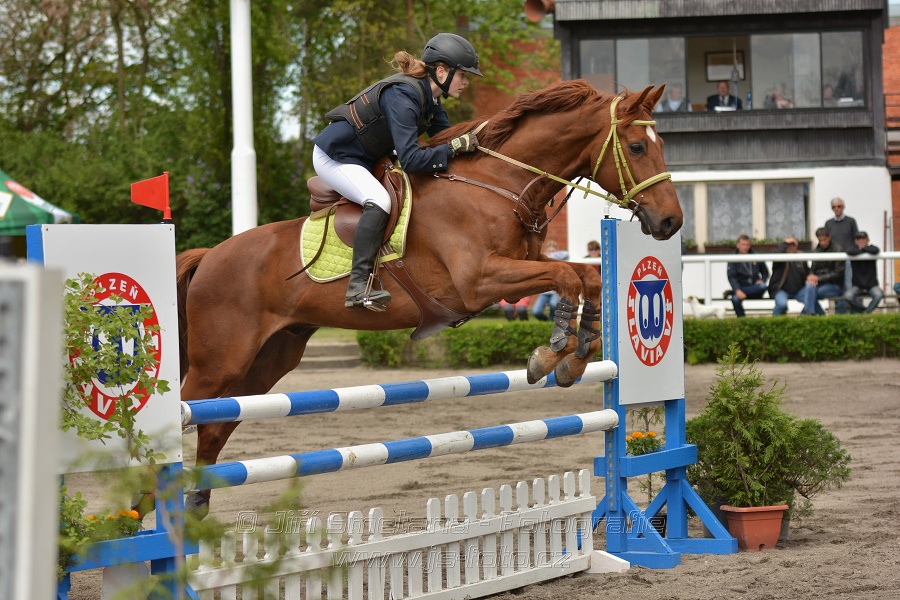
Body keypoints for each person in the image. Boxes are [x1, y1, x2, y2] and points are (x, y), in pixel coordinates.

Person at [313, 33, 483, 310]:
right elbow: (414, 160)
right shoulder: (404, 95)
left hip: (365, 158)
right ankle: (358, 287)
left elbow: (447, 140)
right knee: (379, 201)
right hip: (337, 157)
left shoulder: (433, 101)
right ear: (441, 71)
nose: (466, 82)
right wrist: (453, 148)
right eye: (463, 75)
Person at [797, 227, 845, 315]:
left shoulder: (838, 250)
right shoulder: (817, 250)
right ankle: (817, 314)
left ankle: (808, 315)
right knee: (803, 292)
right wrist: (811, 276)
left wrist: (818, 278)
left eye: (824, 240)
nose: (822, 243)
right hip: (819, 284)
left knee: (809, 293)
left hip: (834, 285)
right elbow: (813, 268)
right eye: (820, 240)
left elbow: (838, 273)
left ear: (829, 237)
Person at [726, 234, 769, 317]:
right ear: (738, 245)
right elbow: (732, 276)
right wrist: (737, 290)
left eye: (747, 245)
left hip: (755, 288)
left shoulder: (755, 256)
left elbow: (765, 272)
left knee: (763, 286)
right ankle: (743, 321)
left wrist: (762, 280)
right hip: (741, 288)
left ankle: (734, 293)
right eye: (743, 245)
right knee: (735, 299)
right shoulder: (733, 259)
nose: (745, 247)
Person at [768, 236, 810, 316]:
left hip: (799, 290)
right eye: (788, 245)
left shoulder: (801, 257)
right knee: (782, 304)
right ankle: (773, 324)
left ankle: (801, 321)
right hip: (781, 290)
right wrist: (785, 243)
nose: (791, 247)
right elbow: (776, 253)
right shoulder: (780, 258)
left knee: (811, 301)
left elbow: (807, 273)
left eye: (793, 245)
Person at [842, 231, 884, 313]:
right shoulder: (854, 250)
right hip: (857, 286)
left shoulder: (871, 249)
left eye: (863, 239)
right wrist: (862, 250)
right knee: (847, 296)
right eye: (858, 239)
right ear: (855, 241)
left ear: (868, 240)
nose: (861, 241)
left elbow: (876, 250)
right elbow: (849, 251)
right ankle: (865, 312)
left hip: (872, 285)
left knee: (879, 295)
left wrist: (862, 249)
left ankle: (866, 313)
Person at [824, 196, 859, 292]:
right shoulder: (828, 223)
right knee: (835, 283)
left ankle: (849, 306)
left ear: (843, 207)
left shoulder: (851, 221)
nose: (837, 209)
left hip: (848, 258)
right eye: (834, 207)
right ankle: (839, 306)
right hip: (834, 258)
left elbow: (856, 238)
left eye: (839, 206)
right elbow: (826, 240)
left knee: (848, 283)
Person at [532, 240, 569, 321]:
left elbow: (567, 253)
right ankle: (548, 322)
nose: (551, 254)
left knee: (554, 304)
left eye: (553, 251)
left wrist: (553, 256)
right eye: (550, 252)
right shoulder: (543, 262)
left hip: (556, 291)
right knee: (536, 311)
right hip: (544, 292)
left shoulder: (558, 262)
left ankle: (552, 321)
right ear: (546, 252)